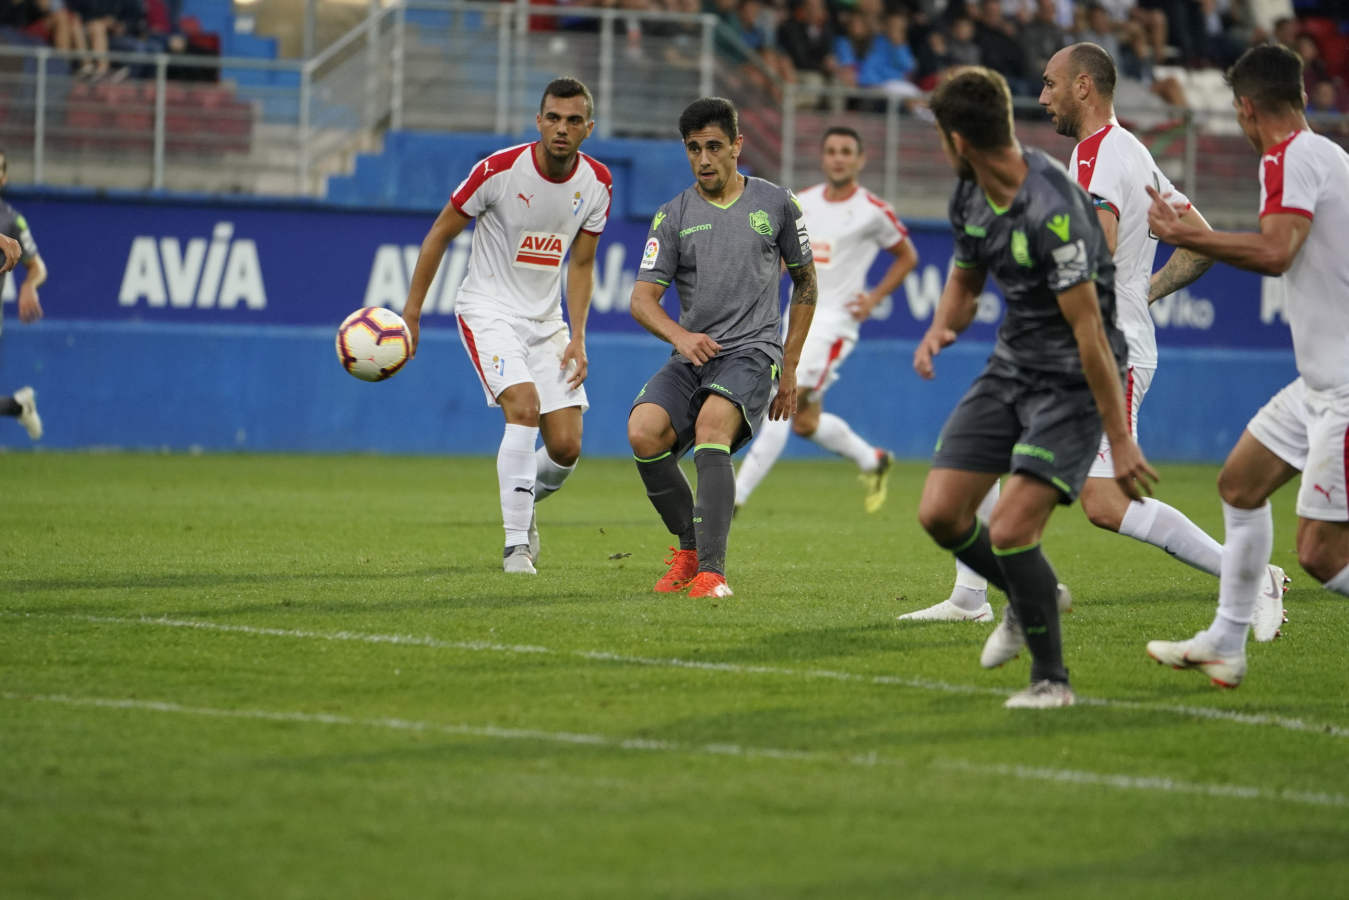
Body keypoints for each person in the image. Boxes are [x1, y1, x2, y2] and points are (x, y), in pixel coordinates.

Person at [903, 43, 1291, 634]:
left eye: (1050, 83)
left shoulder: (1097, 155)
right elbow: (1199, 239)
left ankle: (1251, 573)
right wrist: (1145, 294)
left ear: (1084, 85)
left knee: (1106, 505)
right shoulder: (1132, 150)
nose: (1042, 97)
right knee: (983, 450)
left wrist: (1100, 292)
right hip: (1111, 335)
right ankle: (968, 595)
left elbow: (1094, 251)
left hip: (1103, 348)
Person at [914, 66, 1156, 709]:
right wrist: (941, 328)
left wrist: (1121, 438)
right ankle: (1034, 595)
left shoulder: (1055, 209)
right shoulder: (969, 194)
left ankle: (1052, 682)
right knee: (941, 512)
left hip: (1073, 380)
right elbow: (966, 283)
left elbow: (1092, 335)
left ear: (958, 140)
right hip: (1011, 367)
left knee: (1012, 528)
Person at [1144, 44, 1349, 687]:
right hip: (1317, 384)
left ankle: (1228, 641)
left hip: (1344, 387)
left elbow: (1277, 251)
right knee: (1239, 483)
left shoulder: (1287, 158)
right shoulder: (1328, 155)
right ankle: (1226, 644)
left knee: (1318, 552)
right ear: (1304, 96)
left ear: (1245, 108)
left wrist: (1189, 235)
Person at [400, 77, 612, 575]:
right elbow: (438, 235)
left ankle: (522, 497)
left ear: (589, 128)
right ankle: (516, 546)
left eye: (573, 120)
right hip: (488, 308)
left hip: (547, 321)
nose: (562, 128)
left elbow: (581, 266)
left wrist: (578, 336)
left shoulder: (597, 183)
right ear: (538, 121)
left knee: (565, 448)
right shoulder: (497, 170)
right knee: (523, 404)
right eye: (553, 118)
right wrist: (412, 314)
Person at [628, 96, 816, 599]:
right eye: (694, 149)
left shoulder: (777, 203)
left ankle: (713, 574)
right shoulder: (672, 215)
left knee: (712, 426)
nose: (704, 159)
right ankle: (689, 550)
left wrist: (790, 367)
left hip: (753, 351)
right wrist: (681, 337)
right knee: (644, 432)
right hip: (695, 353)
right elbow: (642, 300)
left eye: (714, 147)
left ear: (737, 146)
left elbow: (806, 285)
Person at [734, 125, 916, 515]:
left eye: (847, 151)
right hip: (796, 313)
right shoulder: (804, 202)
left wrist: (874, 298)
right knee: (804, 422)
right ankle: (873, 459)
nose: (838, 158)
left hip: (833, 322)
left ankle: (735, 495)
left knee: (778, 397)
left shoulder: (872, 211)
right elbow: (788, 251)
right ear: (823, 157)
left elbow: (907, 256)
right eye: (832, 150)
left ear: (860, 159)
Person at [0, 149, 45, 441]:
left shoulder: (12, 220)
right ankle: (17, 406)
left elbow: (38, 267)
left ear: (2, 178)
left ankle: (18, 407)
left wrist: (29, 285)